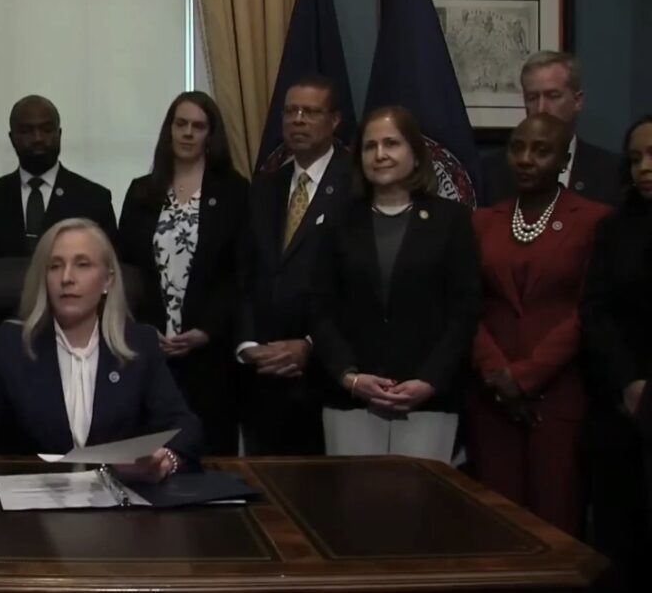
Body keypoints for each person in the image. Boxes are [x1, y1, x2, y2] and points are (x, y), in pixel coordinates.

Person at [0, 218, 202, 488]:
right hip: (30, 514)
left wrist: (166, 460)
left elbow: (184, 426)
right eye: (55, 266)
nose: (66, 278)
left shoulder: (139, 343)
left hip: (121, 511)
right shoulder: (9, 344)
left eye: (82, 265)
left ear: (107, 280)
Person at [310, 106, 479, 462]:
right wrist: (350, 377)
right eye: (370, 146)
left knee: (419, 513)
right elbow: (320, 309)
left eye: (392, 144)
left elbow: (464, 311)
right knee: (354, 513)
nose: (380, 154)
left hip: (427, 401)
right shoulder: (338, 222)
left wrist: (430, 379)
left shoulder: (452, 221)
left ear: (415, 155)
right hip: (351, 401)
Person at [469, 113, 611, 536]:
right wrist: (499, 375)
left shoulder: (594, 219)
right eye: (518, 148)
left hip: (557, 396)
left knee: (556, 523)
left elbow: (588, 310)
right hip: (491, 396)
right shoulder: (483, 221)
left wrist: (526, 378)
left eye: (541, 150)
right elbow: (466, 305)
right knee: (496, 525)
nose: (526, 159)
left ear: (564, 157)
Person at [117, 91, 247, 455]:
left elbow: (240, 274)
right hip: (149, 349)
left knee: (209, 456)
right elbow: (124, 270)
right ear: (169, 131)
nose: (188, 133)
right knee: (151, 458)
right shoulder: (142, 192)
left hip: (209, 353)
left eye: (198, 126)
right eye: (181, 124)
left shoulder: (235, 193)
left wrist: (207, 331)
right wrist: (143, 330)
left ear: (211, 135)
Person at [237, 76, 350, 456]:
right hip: (262, 378)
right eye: (290, 111)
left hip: (324, 378)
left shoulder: (356, 184)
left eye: (310, 112)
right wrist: (248, 344)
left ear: (334, 121)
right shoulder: (265, 186)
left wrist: (311, 347)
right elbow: (245, 274)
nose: (298, 120)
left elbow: (360, 285)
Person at [582, 115, 652, 592]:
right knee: (618, 537)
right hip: (621, 402)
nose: (645, 167)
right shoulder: (615, 227)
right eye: (636, 159)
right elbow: (596, 311)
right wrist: (629, 381)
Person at [0, 95, 118, 258]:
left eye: (46, 129)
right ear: (12, 139)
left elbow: (110, 265)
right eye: (27, 131)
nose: (38, 138)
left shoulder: (94, 199)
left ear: (59, 134)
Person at [482, 51, 622, 207]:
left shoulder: (612, 171)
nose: (542, 109)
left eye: (553, 96)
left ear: (577, 101)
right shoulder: (491, 172)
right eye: (532, 98)